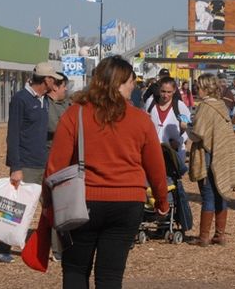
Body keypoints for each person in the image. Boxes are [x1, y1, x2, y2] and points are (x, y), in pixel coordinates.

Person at [44, 56, 170, 287]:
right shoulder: (141, 120)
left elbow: (55, 166)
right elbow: (156, 167)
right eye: (131, 81)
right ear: (119, 82)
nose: (133, 86)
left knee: (75, 269)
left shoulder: (76, 114)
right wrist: (162, 201)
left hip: (82, 200)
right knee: (110, 276)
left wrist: (48, 204)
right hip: (127, 201)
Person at [0, 62, 64, 263]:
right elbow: (13, 134)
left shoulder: (44, 100)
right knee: (15, 208)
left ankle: (58, 250)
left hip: (43, 163)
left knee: (51, 205)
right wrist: (15, 167)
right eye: (54, 79)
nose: (57, 82)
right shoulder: (21, 99)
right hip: (25, 165)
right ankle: (3, 248)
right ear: (47, 80)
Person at [188, 73, 235, 246]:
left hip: (207, 155)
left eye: (198, 86)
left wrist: (186, 127)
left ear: (205, 87)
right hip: (222, 154)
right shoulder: (222, 106)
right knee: (221, 193)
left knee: (208, 196)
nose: (196, 89)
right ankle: (220, 235)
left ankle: (204, 237)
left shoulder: (205, 107)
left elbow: (198, 134)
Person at [45, 71, 70, 262]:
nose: (66, 90)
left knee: (58, 203)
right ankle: (5, 241)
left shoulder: (68, 104)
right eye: (64, 86)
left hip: (65, 160)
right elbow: (54, 126)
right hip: (45, 159)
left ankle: (58, 247)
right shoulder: (45, 105)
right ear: (54, 87)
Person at [145, 77, 191, 168]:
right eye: (163, 91)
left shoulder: (179, 106)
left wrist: (179, 141)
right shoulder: (151, 103)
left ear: (174, 91)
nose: (165, 95)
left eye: (169, 92)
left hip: (173, 155)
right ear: (159, 90)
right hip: (153, 152)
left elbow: (189, 128)